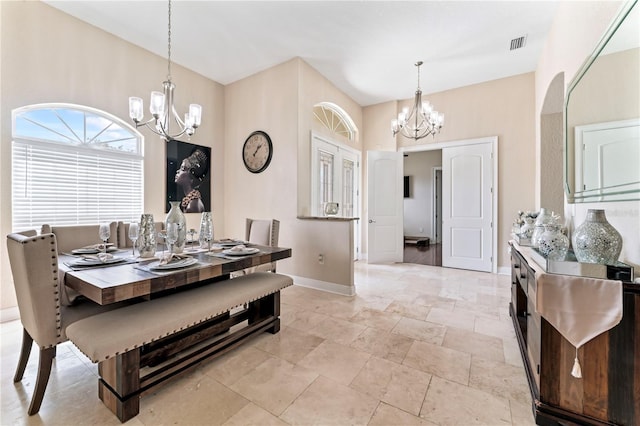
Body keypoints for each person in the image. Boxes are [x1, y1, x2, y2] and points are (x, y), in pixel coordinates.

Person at [175, 148, 209, 213]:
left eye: (182, 169)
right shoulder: (191, 201)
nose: (177, 171)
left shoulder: (193, 204)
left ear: (191, 177)